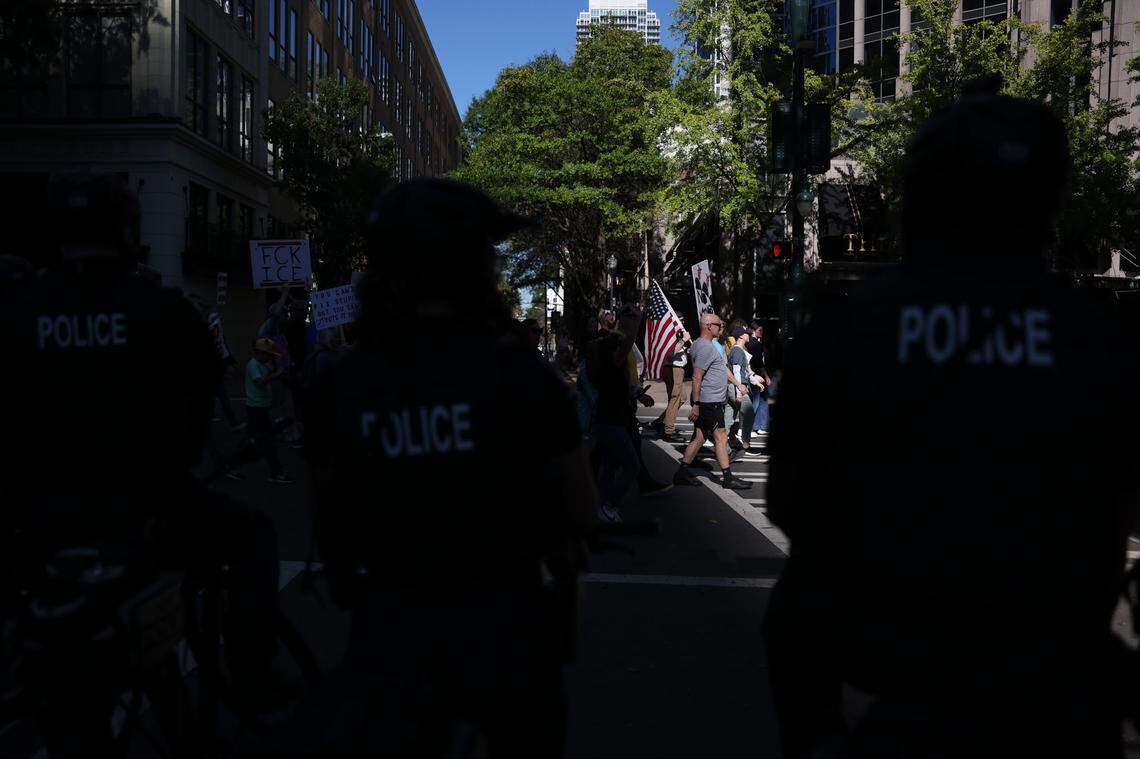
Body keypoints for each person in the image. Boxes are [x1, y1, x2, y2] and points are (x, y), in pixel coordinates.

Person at [763, 91, 1140, 758]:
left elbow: (793, 502)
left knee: (793, 607)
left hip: (900, 684)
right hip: (1060, 694)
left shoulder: (851, 332)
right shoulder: (1101, 342)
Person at [304, 178, 597, 757]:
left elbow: (329, 512)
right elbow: (580, 504)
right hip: (505, 633)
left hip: (389, 634)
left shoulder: (343, 383)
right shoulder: (523, 377)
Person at [0, 174, 287, 752]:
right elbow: (205, 391)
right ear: (128, 236)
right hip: (151, 507)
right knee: (253, 537)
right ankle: (252, 676)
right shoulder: (160, 308)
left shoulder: (19, 310)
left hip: (39, 520)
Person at [672, 313, 752, 490]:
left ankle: (681, 473)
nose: (720, 327)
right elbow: (697, 377)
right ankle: (728, 478)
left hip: (711, 401)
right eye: (718, 324)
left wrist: (738, 384)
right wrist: (697, 405)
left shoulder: (706, 346)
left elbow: (723, 369)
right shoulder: (704, 347)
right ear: (709, 326)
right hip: (709, 402)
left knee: (700, 438)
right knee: (721, 438)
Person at [244, 337, 295, 484]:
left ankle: (233, 462)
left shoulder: (263, 364)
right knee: (267, 440)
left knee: (252, 436)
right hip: (256, 407)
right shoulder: (253, 365)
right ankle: (276, 472)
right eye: (269, 355)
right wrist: (275, 375)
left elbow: (271, 375)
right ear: (260, 353)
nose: (270, 358)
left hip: (260, 406)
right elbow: (259, 382)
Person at [726, 327, 764, 457]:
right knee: (749, 414)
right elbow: (736, 372)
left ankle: (723, 445)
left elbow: (745, 372)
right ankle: (745, 445)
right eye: (747, 333)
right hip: (737, 387)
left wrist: (756, 382)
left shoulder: (740, 350)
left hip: (735, 387)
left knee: (728, 417)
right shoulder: (737, 350)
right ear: (741, 336)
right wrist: (739, 392)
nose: (750, 335)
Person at [651, 329, 690, 443]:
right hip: (673, 369)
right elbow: (671, 352)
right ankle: (668, 430)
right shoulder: (670, 335)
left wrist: (686, 350)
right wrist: (684, 340)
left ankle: (660, 422)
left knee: (681, 398)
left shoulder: (674, 336)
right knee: (675, 398)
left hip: (677, 369)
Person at [749, 322, 772, 436]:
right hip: (756, 375)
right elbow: (759, 363)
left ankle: (760, 426)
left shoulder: (757, 343)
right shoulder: (754, 344)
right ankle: (752, 427)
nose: (761, 333)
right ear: (753, 331)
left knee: (762, 400)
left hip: (758, 374)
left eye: (762, 330)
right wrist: (766, 376)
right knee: (756, 401)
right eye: (759, 330)